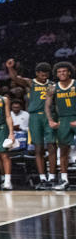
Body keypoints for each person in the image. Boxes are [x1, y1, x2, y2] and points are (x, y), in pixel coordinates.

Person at [7, 59, 57, 189]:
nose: (44, 74)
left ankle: (52, 177)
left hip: (49, 116)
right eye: (41, 72)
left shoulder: (52, 85)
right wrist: (11, 68)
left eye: (46, 72)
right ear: (37, 73)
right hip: (34, 117)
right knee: (38, 149)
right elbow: (14, 77)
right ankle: (42, 178)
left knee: (52, 146)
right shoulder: (30, 82)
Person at [46, 61, 76, 191]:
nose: (62, 73)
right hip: (63, 120)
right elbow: (47, 105)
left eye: (64, 71)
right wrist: (50, 120)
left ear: (69, 72)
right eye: (59, 72)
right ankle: (64, 180)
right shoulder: (53, 87)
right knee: (63, 150)